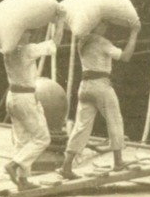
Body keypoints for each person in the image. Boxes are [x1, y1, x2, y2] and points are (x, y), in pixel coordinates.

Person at [60, 21, 140, 179]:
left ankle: (66, 165)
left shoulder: (82, 42)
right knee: (115, 121)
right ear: (94, 26)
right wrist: (134, 33)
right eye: (102, 25)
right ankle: (118, 161)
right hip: (101, 86)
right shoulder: (102, 42)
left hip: (84, 86)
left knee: (81, 126)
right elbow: (125, 57)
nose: (105, 27)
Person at [1, 29, 57, 191]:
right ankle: (14, 164)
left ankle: (23, 180)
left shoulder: (7, 51)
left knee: (22, 140)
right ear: (20, 35)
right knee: (42, 138)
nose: (30, 35)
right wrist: (59, 22)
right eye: (26, 32)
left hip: (13, 96)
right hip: (25, 98)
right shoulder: (27, 50)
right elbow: (54, 44)